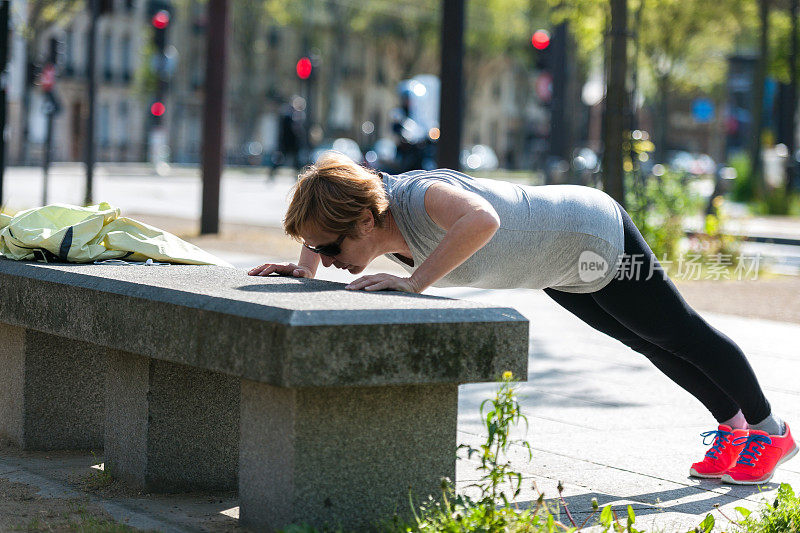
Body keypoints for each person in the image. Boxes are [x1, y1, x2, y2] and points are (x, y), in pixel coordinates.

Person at [248, 151, 797, 485]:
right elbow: (325, 200)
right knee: (649, 343)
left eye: (328, 249)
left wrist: (415, 282)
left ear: (366, 223)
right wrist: (305, 273)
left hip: (587, 235)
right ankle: (734, 428)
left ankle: (770, 429)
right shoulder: (366, 215)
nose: (327, 259)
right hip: (556, 266)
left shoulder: (419, 200)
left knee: (680, 333)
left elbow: (482, 219)